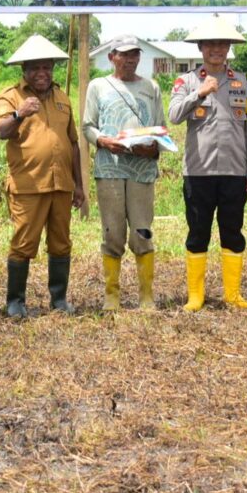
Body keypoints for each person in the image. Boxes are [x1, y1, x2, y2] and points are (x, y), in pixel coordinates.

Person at [168, 18, 247, 310]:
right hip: (199, 171)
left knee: (233, 230)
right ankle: (196, 296)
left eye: (222, 44)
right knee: (198, 231)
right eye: (210, 44)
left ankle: (232, 294)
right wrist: (200, 93)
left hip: (235, 171)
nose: (216, 50)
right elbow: (173, 115)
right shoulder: (186, 81)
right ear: (200, 48)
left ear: (229, 48)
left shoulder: (244, 81)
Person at [0, 35, 85, 317]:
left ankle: (58, 300)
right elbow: (1, 131)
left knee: (61, 242)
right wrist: (19, 114)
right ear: (24, 70)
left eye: (47, 67)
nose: (42, 73)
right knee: (23, 243)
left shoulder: (62, 97)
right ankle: (15, 302)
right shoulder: (10, 97)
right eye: (35, 68)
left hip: (61, 185)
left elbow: (73, 142)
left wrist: (79, 185)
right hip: (28, 185)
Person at [82, 35, 164, 311]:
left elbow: (161, 128)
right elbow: (87, 126)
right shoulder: (98, 86)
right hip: (110, 169)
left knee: (142, 231)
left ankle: (146, 296)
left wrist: (153, 149)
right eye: (124, 55)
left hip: (142, 170)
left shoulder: (151, 87)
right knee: (112, 232)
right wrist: (104, 142)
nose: (130, 60)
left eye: (135, 55)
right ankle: (111, 295)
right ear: (111, 57)